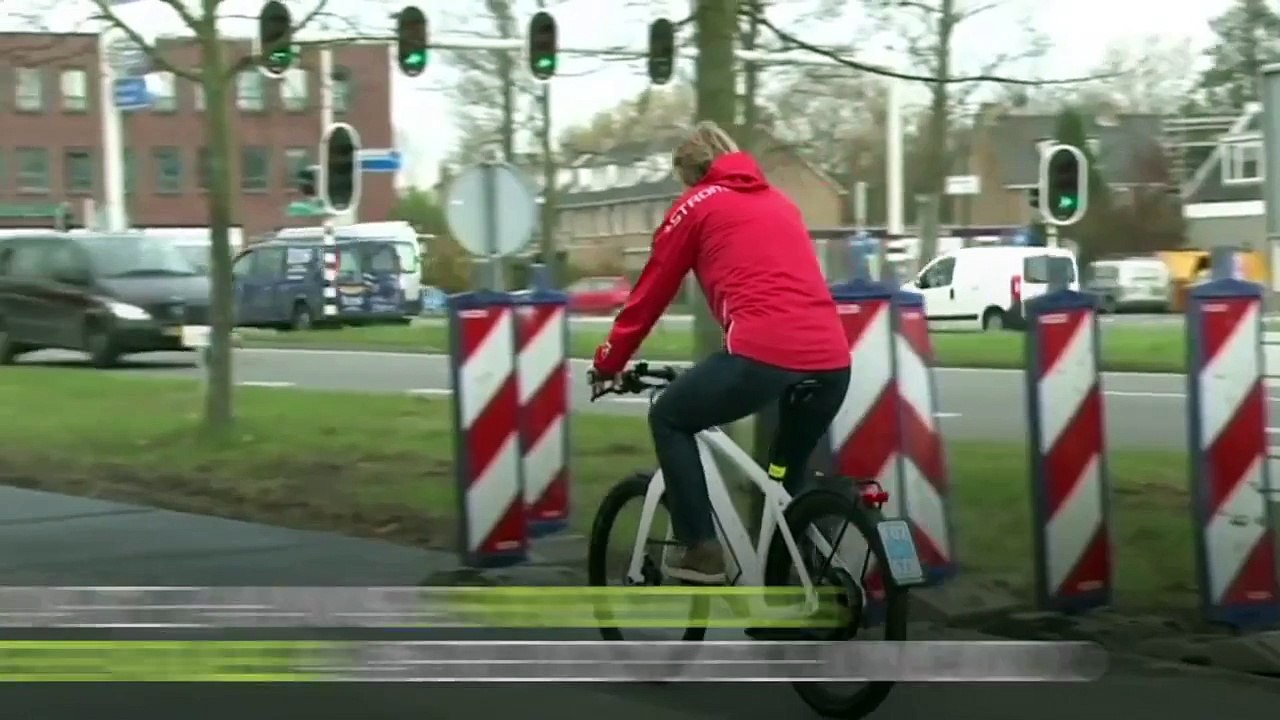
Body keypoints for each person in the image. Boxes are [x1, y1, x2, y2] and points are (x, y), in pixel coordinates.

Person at [588, 121, 852, 584]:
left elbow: (650, 293)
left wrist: (609, 361)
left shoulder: (694, 205)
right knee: (785, 475)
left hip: (760, 355)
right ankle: (805, 583)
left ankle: (701, 548)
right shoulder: (780, 203)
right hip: (831, 361)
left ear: (690, 174)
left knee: (670, 418)